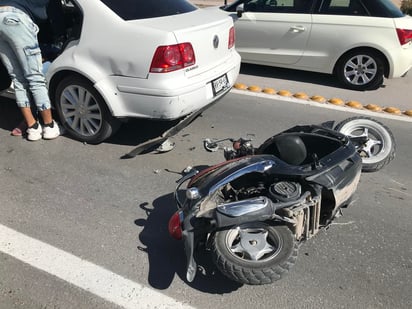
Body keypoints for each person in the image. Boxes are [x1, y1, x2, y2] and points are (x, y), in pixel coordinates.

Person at [0, 0, 60, 141]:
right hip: (15, 18)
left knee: (17, 78)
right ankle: (49, 126)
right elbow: (53, 12)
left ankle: (32, 127)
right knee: (35, 76)